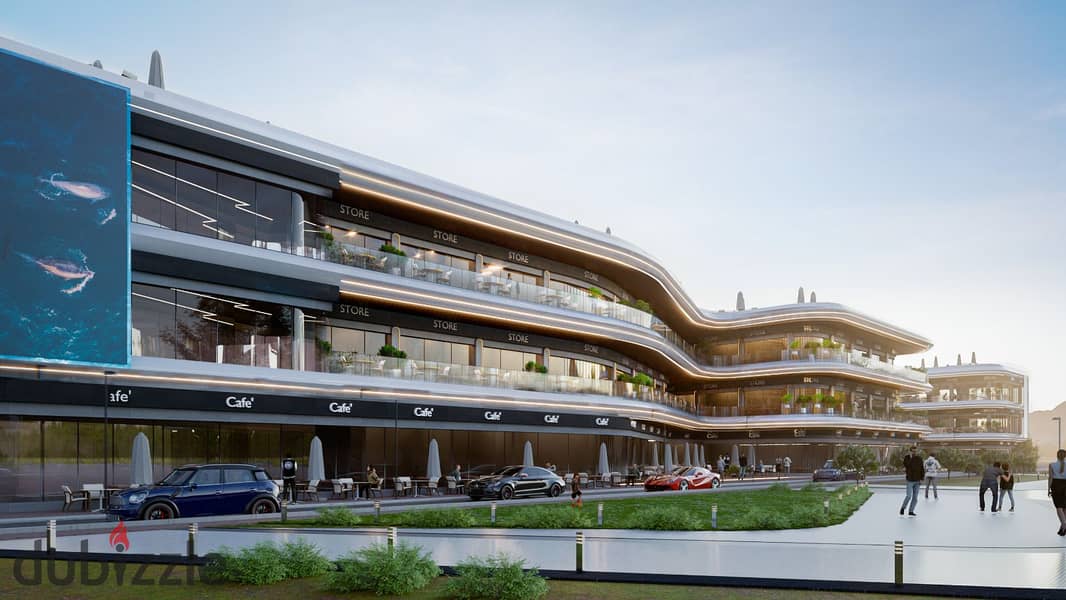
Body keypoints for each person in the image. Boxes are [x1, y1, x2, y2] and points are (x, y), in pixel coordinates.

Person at [899, 446, 924, 516]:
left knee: (915, 498)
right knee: (908, 496)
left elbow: (922, 469)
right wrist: (910, 457)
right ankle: (903, 508)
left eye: (915, 451)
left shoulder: (919, 458)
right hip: (910, 480)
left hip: (917, 480)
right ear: (910, 451)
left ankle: (911, 511)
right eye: (913, 451)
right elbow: (907, 465)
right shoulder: (907, 458)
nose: (914, 452)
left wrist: (922, 479)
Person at [1049, 449, 1066, 535]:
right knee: (1064, 507)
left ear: (1057, 456)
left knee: (1059, 507)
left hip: (1056, 485)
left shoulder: (1052, 465)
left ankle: (1064, 524)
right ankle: (1062, 529)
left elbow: (1050, 478)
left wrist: (1048, 489)